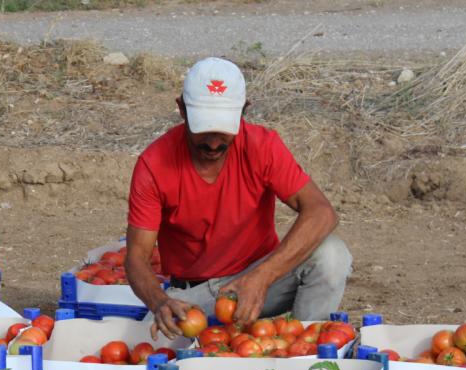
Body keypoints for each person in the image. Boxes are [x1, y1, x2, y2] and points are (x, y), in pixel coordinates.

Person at [125, 57, 352, 340]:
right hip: (194, 297)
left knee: (332, 255)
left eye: (223, 129)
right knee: (149, 343)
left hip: (260, 279)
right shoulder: (154, 163)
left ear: (244, 111)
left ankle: (304, 351)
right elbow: (136, 257)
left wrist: (261, 277)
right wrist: (160, 302)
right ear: (182, 109)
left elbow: (321, 213)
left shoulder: (262, 146)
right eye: (203, 128)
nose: (213, 142)